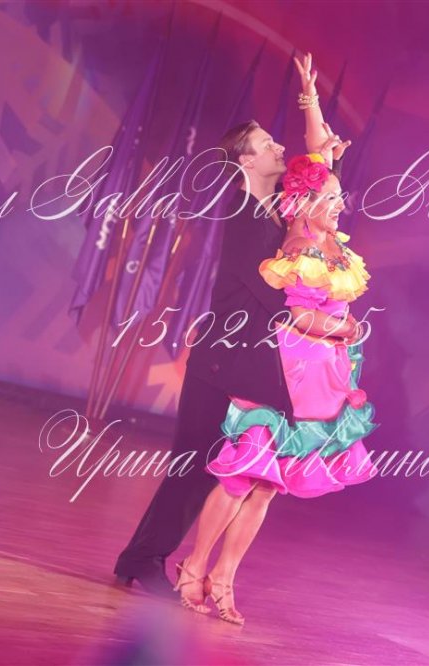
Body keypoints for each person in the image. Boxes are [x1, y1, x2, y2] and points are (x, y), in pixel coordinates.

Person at [113, 54, 350, 598]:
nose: (278, 148)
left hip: (248, 365)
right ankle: (144, 559)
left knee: (221, 470)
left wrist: (310, 96)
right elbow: (273, 292)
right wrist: (322, 317)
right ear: (245, 160)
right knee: (194, 466)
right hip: (221, 364)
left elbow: (318, 156)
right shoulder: (242, 212)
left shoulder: (279, 207)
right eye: (267, 144)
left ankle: (158, 562)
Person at [173, 54, 374, 625]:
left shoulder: (333, 240)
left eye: (338, 195)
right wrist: (345, 328)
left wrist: (311, 95)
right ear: (305, 200)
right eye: (330, 196)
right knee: (243, 475)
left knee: (269, 486)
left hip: (322, 379)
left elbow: (320, 152)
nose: (340, 203)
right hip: (284, 368)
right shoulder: (297, 242)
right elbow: (296, 316)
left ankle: (224, 579)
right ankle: (193, 566)